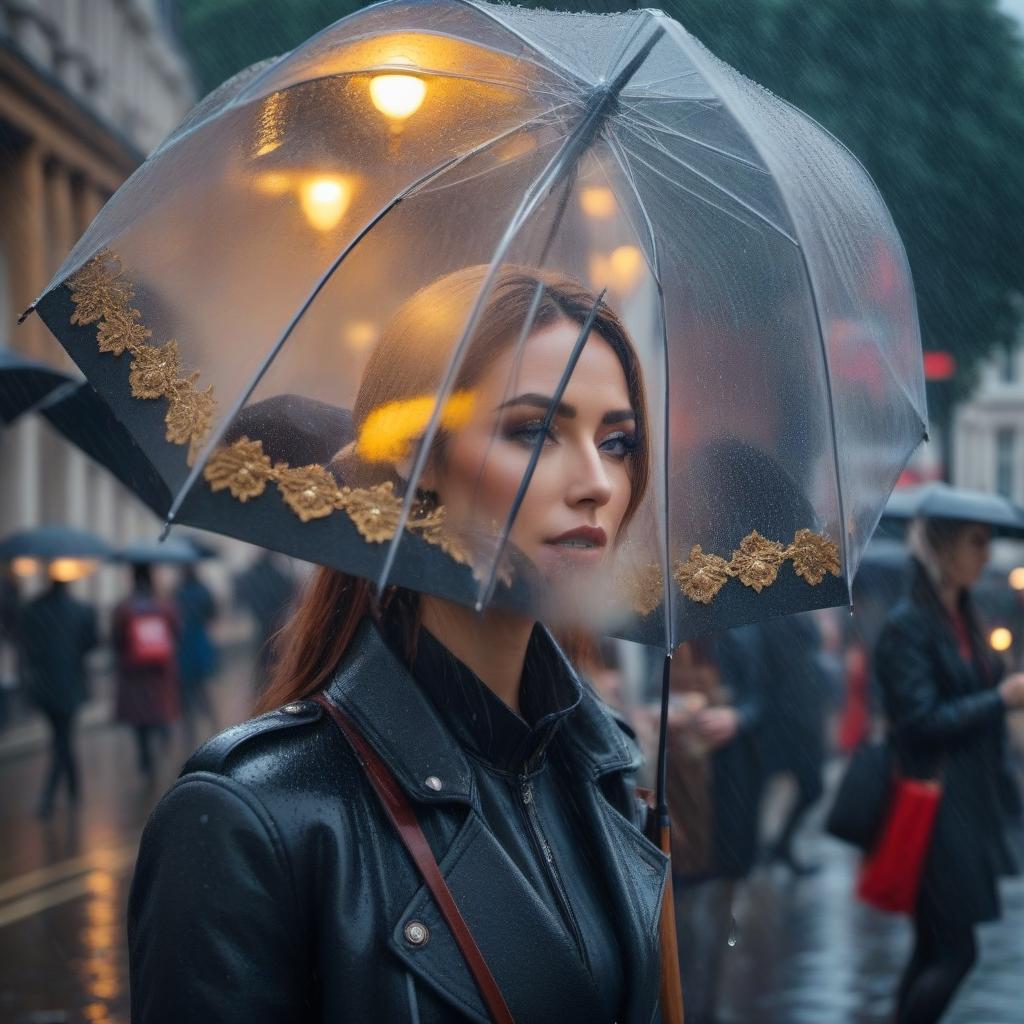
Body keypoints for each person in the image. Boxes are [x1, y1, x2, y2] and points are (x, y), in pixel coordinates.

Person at [128, 266, 669, 1023]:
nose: (598, 484)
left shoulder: (607, 769)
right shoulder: (256, 819)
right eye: (535, 430)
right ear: (418, 454)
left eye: (618, 442)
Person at [875, 516, 1024, 1024]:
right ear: (944, 547)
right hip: (937, 809)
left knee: (933, 946)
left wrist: (995, 683)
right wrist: (998, 699)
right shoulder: (908, 625)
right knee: (958, 952)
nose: (986, 554)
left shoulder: (962, 615)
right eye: (976, 542)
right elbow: (919, 722)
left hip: (966, 803)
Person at [18, 576, 98, 817]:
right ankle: (61, 792)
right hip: (71, 683)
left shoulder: (32, 610)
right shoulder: (82, 610)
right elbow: (92, 643)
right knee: (63, 738)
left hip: (45, 685)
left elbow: (27, 646)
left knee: (61, 737)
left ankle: (62, 792)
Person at [757, 612, 830, 875]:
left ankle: (780, 846)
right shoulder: (773, 616)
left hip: (803, 712)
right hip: (789, 715)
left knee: (810, 787)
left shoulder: (797, 610)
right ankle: (770, 848)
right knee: (799, 785)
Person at [113, 563, 181, 782]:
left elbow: (115, 640)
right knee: (158, 710)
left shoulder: (123, 608)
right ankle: (163, 736)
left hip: (134, 674)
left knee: (139, 719)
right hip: (159, 673)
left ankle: (146, 761)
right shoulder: (164, 605)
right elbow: (177, 634)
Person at [174, 563, 219, 748]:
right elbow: (213, 614)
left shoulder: (177, 594)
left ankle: (189, 737)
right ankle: (214, 729)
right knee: (202, 693)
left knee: (187, 696)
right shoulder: (203, 591)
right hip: (199, 645)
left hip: (184, 648)